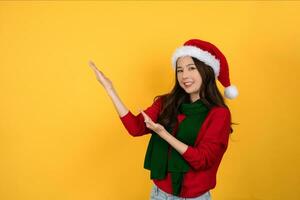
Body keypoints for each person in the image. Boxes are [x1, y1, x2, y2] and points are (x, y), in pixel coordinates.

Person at [88, 39, 238, 200]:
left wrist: (164, 134)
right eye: (179, 70)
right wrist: (110, 89)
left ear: (206, 71)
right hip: (160, 194)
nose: (184, 75)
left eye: (191, 68)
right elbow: (136, 128)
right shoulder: (167, 103)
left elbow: (203, 160)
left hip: (194, 198)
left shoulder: (219, 114)